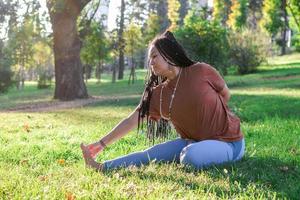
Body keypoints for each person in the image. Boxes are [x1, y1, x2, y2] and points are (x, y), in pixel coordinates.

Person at [81, 30, 245, 172]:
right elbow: (132, 120)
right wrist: (101, 144)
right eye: (149, 59)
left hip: (228, 143)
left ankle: (211, 151)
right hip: (192, 143)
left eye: (154, 56)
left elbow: (225, 94)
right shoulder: (157, 95)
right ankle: (102, 167)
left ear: (168, 54)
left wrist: (212, 118)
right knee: (151, 154)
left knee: (189, 157)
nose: (150, 62)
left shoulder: (201, 71)